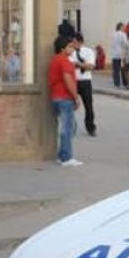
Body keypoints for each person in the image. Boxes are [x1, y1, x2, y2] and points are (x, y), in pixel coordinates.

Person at [48, 36, 82, 167]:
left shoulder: (55, 60)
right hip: (64, 97)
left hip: (56, 96)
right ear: (62, 48)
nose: (73, 48)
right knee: (67, 128)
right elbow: (68, 79)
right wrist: (76, 97)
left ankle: (62, 155)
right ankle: (67, 157)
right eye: (70, 46)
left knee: (68, 126)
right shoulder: (65, 60)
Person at [70, 33, 97, 136]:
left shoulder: (88, 51)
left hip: (85, 80)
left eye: (75, 42)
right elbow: (70, 65)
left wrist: (78, 64)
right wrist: (83, 64)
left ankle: (90, 127)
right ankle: (71, 125)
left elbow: (90, 67)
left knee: (89, 106)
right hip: (74, 80)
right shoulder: (71, 52)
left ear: (80, 42)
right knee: (71, 105)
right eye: (72, 42)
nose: (73, 44)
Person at [110, 22, 127, 88]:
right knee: (123, 69)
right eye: (123, 27)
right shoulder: (123, 34)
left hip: (114, 54)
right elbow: (125, 44)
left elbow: (112, 44)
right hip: (121, 54)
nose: (124, 28)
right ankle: (124, 83)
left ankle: (116, 83)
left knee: (115, 70)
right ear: (120, 27)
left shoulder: (114, 34)